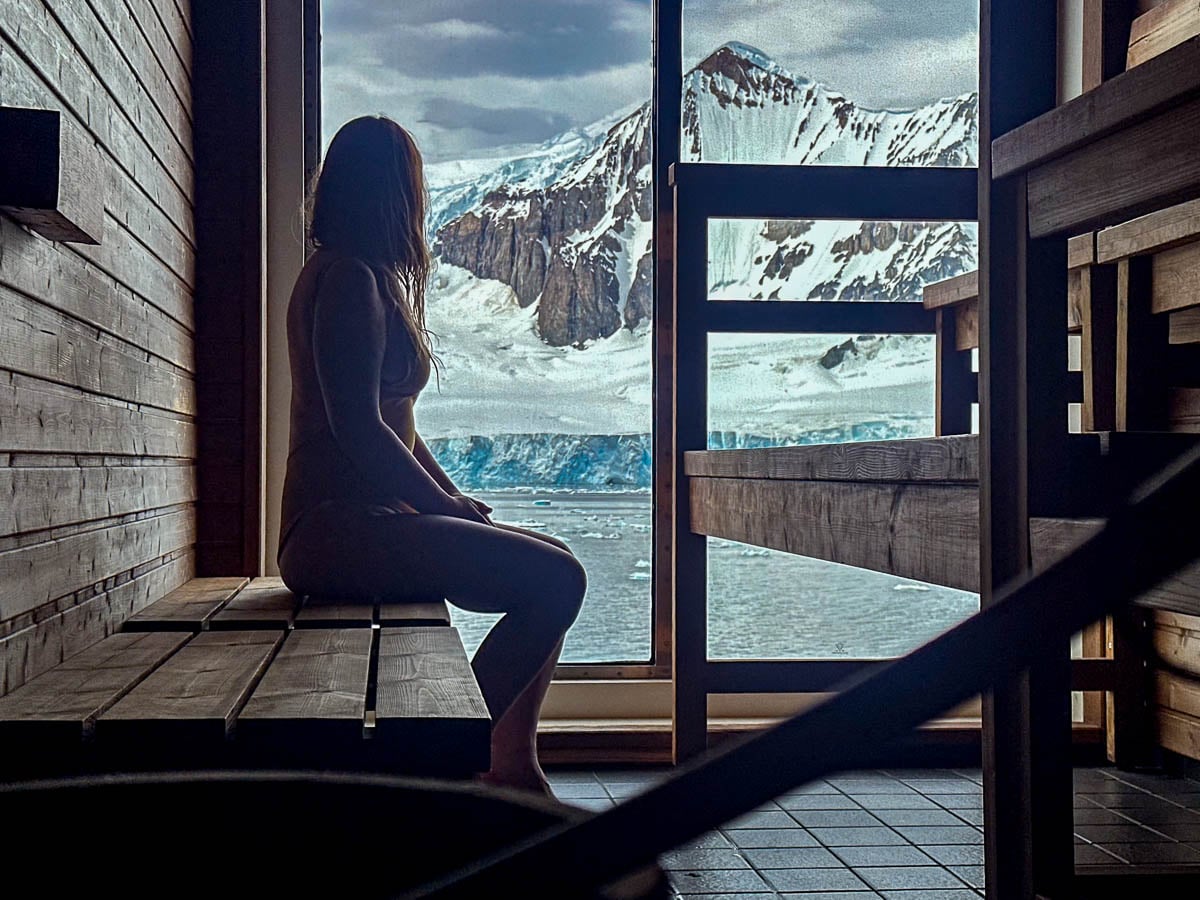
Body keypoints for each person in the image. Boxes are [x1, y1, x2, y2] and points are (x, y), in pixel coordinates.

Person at [277, 115, 586, 796]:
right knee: (557, 582)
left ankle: (509, 766)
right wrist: (442, 507)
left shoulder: (358, 277)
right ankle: (438, 766)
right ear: (394, 194)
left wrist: (452, 501)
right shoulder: (350, 279)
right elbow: (357, 427)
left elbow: (397, 429)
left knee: (555, 563)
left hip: (363, 523)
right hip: (334, 531)